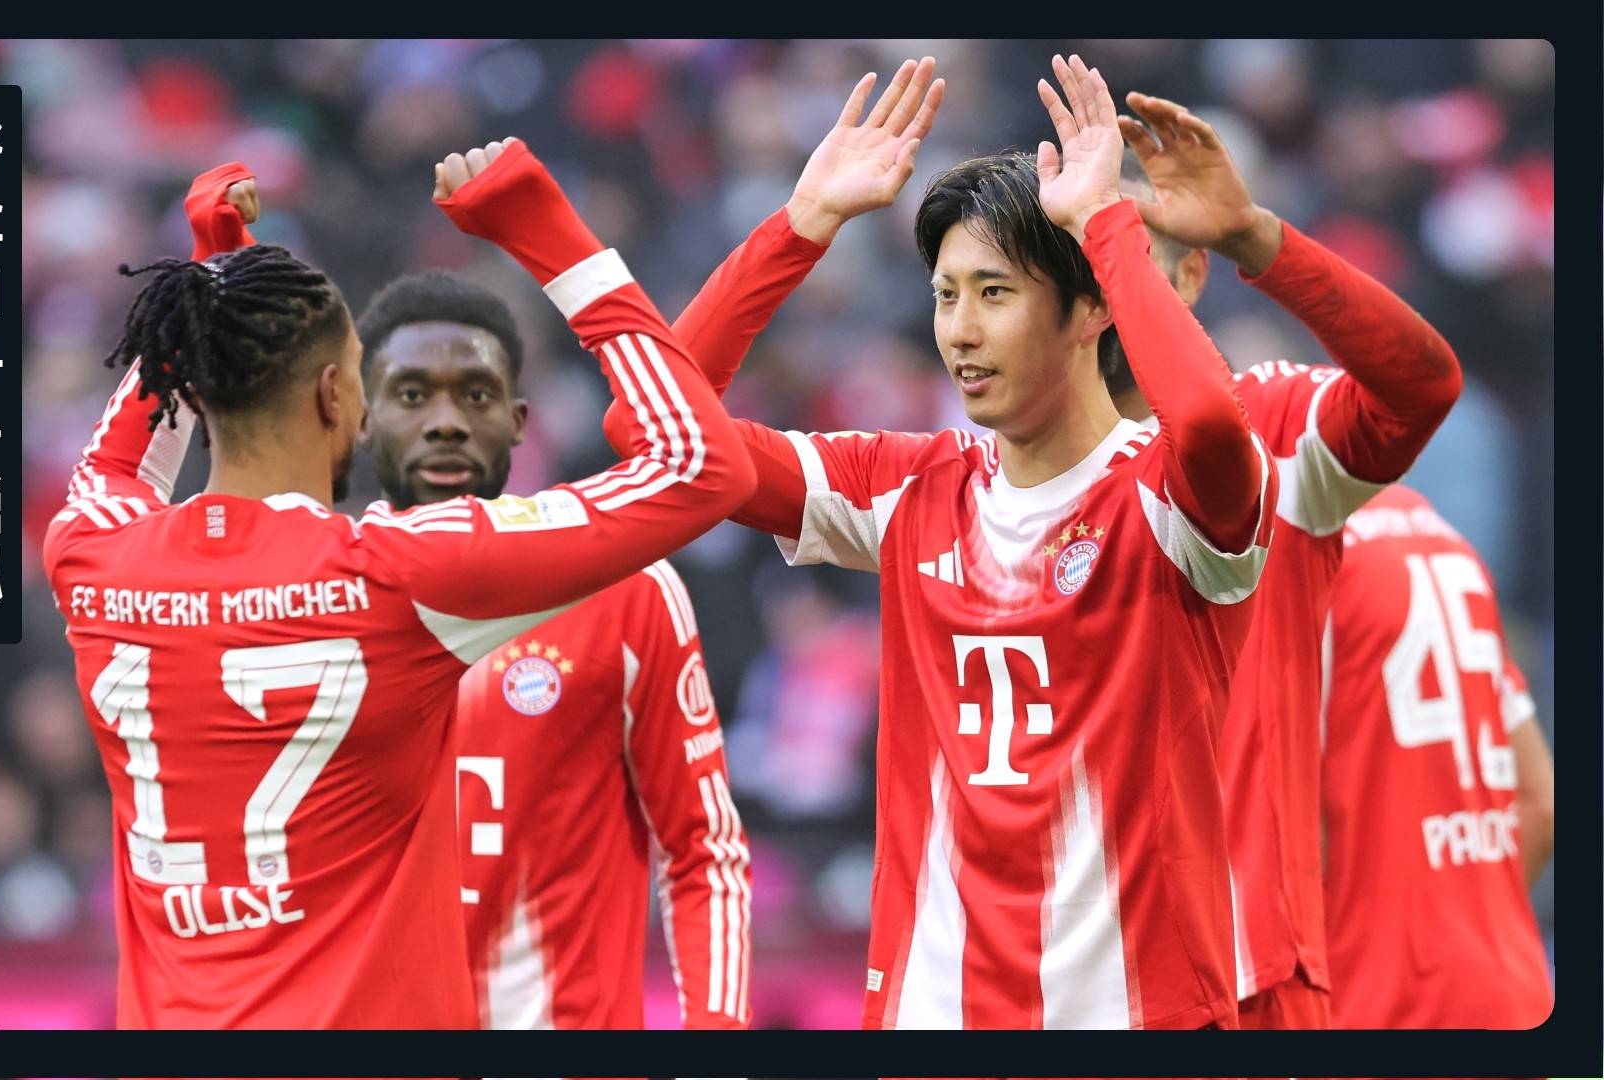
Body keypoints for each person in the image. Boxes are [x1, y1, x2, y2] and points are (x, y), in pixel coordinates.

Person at [611, 55, 1276, 1029]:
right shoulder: (907, 488)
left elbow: (1213, 425)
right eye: (944, 294)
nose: (959, 331)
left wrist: (1107, 224)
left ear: (1093, 308)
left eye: (994, 293)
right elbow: (652, 429)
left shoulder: (1169, 497)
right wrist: (803, 224)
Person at [40, 138, 755, 1027]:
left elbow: (121, 464)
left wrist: (211, 278)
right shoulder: (393, 575)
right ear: (337, 396)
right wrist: (548, 233)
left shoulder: (91, 557)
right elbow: (701, 466)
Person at [1094, 91, 1464, 1027]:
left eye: (1128, 256)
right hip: (1057, 977)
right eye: (1083, 261)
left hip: (1240, 975)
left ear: (1190, 274)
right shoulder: (987, 471)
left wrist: (1256, 237)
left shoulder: (1275, 426)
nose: (1107, 291)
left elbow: (1422, 387)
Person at [1319, 483, 1553, 1028]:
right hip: (1510, 994)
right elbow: (1540, 803)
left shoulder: (1292, 555)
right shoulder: (1447, 538)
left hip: (1374, 1007)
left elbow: (1288, 830)